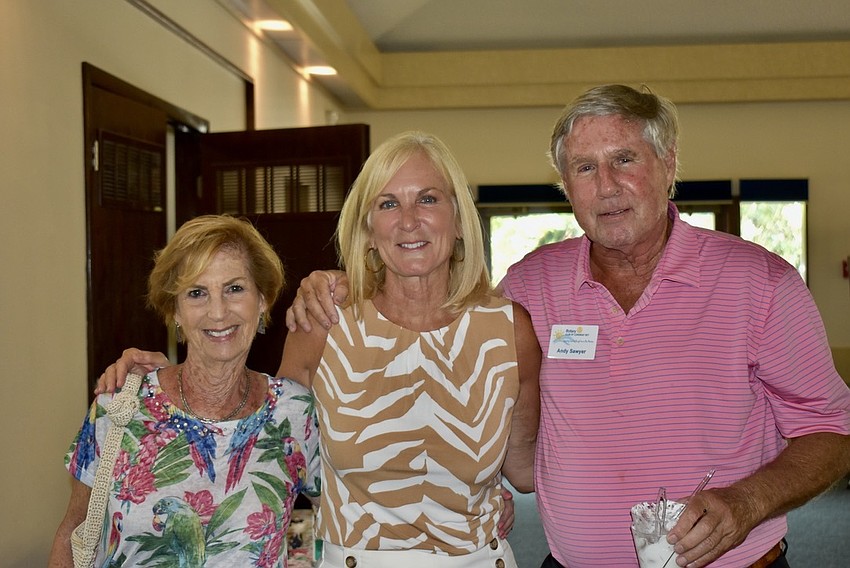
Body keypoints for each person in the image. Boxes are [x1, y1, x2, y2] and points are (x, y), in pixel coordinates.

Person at [284, 84, 850, 568]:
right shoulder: (531, 288)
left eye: (624, 159)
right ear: (564, 184)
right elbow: (437, 330)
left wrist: (747, 503)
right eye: (585, 167)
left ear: (669, 163)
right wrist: (341, 285)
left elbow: (833, 430)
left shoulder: (761, 283)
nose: (606, 185)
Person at [95, 132, 538, 567]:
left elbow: (525, 470)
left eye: (428, 199)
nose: (408, 220)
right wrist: (162, 390)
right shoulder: (326, 322)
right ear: (366, 230)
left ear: (459, 220)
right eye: (387, 203)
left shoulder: (509, 331)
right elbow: (267, 438)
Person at [49, 215, 320, 567]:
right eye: (197, 293)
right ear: (175, 310)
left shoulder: (295, 412)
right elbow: (72, 532)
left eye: (235, 288)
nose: (218, 312)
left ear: (263, 300)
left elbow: (350, 514)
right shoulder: (120, 407)